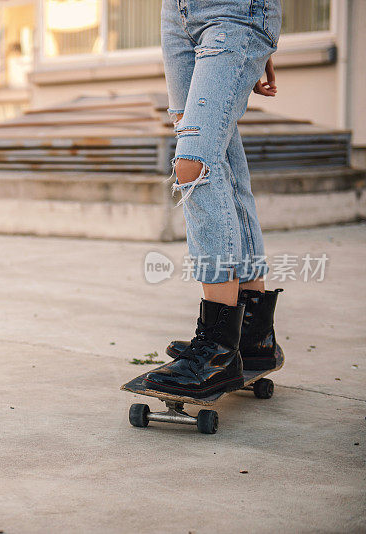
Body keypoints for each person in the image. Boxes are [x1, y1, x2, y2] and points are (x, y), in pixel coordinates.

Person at [145, 0, 284, 398]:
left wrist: (262, 36)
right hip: (177, 15)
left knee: (195, 162)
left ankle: (219, 348)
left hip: (236, 11)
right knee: (218, 157)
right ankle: (253, 336)